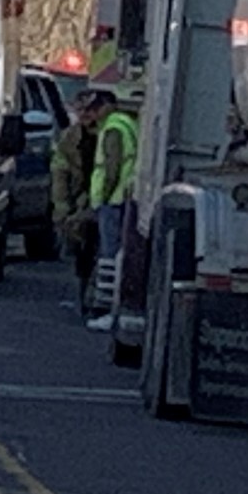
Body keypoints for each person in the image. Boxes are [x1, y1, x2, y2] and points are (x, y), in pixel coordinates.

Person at [84, 89, 139, 332]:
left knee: (109, 257)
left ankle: (105, 309)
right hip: (123, 197)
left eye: (97, 108)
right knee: (116, 255)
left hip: (113, 201)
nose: (93, 113)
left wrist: (103, 196)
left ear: (108, 105)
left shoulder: (113, 127)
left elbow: (111, 167)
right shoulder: (127, 122)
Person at [52, 89, 107, 316]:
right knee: (83, 254)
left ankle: (98, 297)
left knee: (102, 251)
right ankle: (84, 296)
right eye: (80, 109)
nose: (85, 114)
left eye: (89, 110)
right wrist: (62, 206)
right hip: (80, 202)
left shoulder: (108, 134)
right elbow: (59, 172)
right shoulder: (69, 138)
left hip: (102, 199)